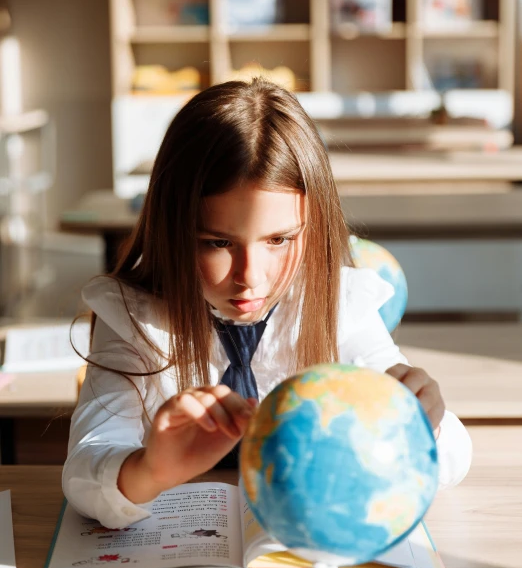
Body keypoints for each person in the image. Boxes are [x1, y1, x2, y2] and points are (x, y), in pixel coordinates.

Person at [63, 79, 472, 529]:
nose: (250, 276)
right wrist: (149, 471)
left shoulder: (339, 304)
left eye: (279, 239)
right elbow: (85, 472)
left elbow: (453, 455)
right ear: (171, 229)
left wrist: (423, 422)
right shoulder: (131, 317)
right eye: (218, 242)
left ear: (313, 227)